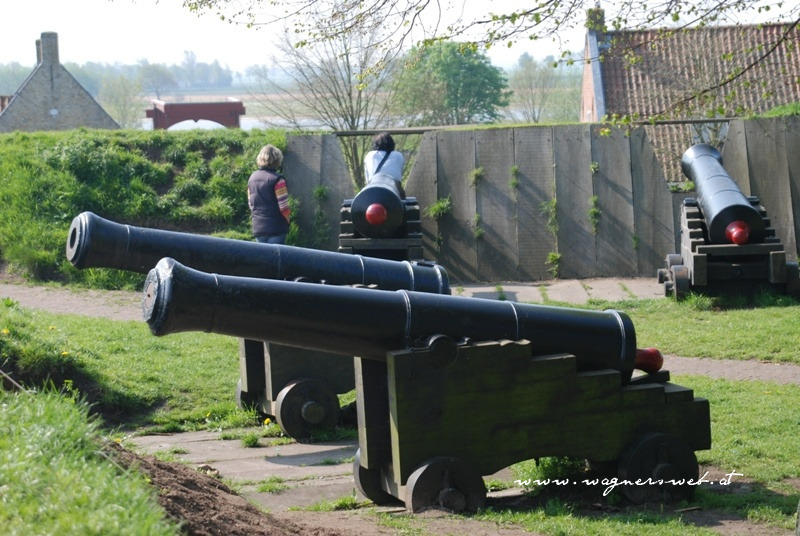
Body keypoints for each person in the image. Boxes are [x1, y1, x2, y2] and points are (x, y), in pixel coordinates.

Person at [247, 144, 290, 244]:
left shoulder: (252, 178)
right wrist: (287, 221)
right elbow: (283, 207)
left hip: (258, 227)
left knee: (262, 259)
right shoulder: (278, 179)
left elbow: (251, 204)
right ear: (277, 159)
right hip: (276, 228)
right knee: (276, 258)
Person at [364, 132, 405, 197]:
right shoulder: (398, 156)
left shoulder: (370, 155)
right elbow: (399, 176)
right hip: (393, 191)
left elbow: (368, 179)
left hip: (372, 190)